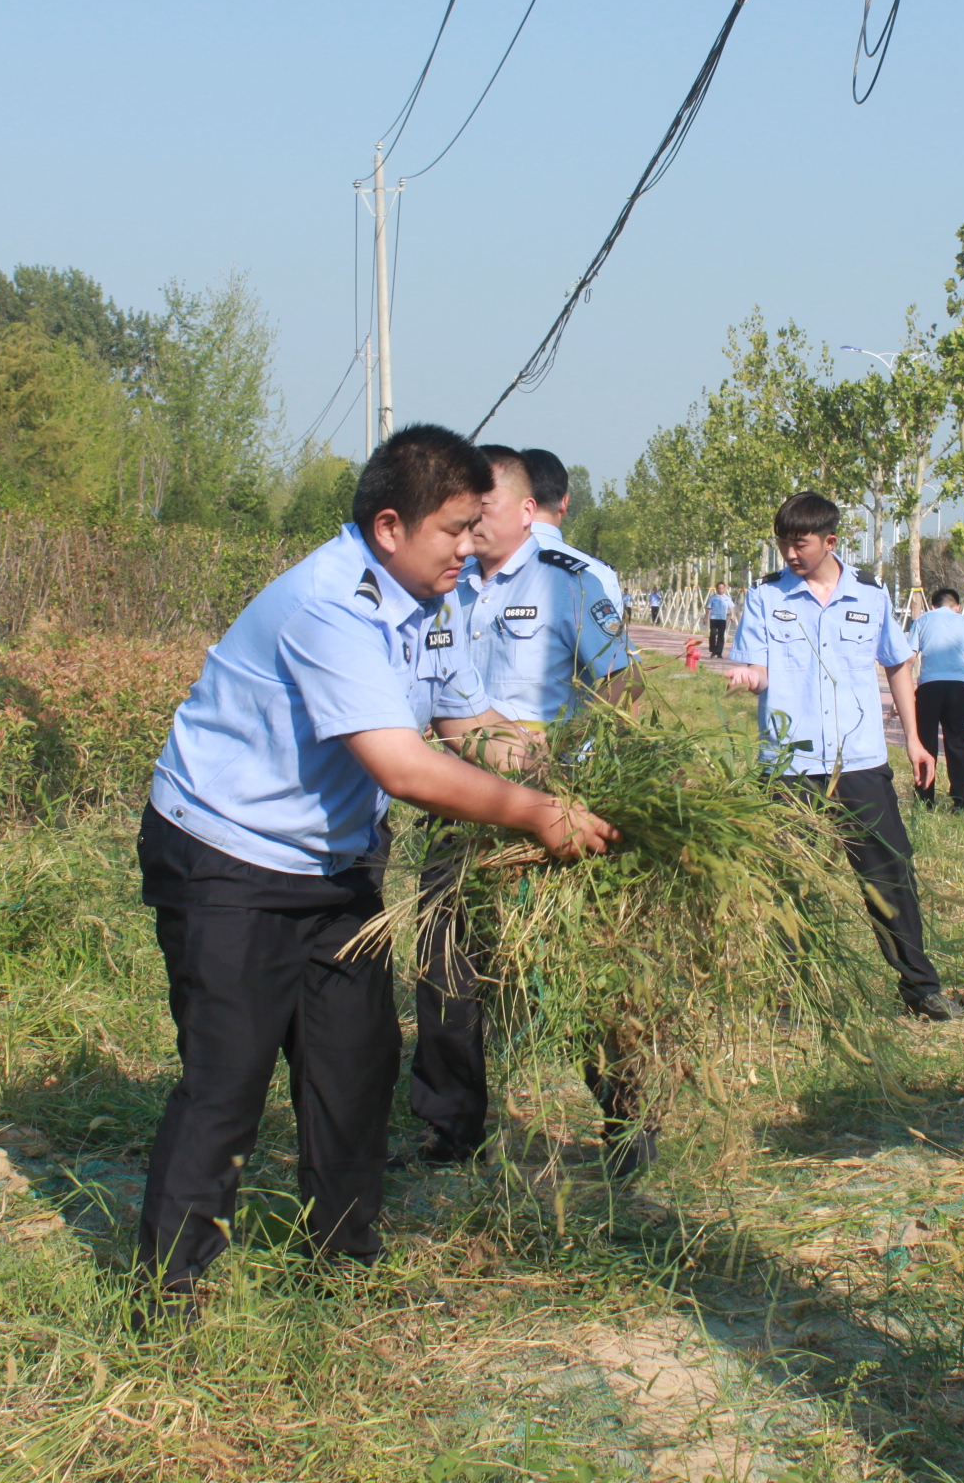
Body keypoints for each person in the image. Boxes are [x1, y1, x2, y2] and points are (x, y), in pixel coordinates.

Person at [135, 426, 617, 1312]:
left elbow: (472, 732)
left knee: (355, 1065)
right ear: (390, 526)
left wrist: (584, 790)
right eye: (456, 530)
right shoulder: (331, 603)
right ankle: (167, 1295)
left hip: (338, 862)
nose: (471, 549)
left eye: (479, 528)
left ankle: (345, 1258)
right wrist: (539, 818)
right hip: (227, 856)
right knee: (227, 1079)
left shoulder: (431, 606)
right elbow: (405, 767)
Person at [407, 445, 646, 1173]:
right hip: (461, 800)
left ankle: (626, 1125)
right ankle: (452, 1131)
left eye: (483, 510)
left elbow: (622, 691)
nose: (470, 524)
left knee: (576, 969)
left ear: (525, 511)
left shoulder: (572, 583)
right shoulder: (443, 587)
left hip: (552, 807)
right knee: (445, 965)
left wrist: (594, 788)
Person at [724, 492, 954, 1022]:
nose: (789, 553)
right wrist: (744, 678)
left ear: (830, 541)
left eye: (798, 542)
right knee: (789, 880)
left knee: (889, 873)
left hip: (860, 762)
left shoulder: (871, 596)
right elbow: (757, 669)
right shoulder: (766, 598)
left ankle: (920, 987)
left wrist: (915, 741)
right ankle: (791, 996)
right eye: (782, 542)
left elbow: (897, 664)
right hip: (791, 765)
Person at [908, 587, 964, 811]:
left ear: (933, 606)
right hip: (958, 687)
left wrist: (902, 693)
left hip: (929, 687)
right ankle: (960, 801)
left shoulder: (921, 621)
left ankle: (925, 799)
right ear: (957, 606)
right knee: (958, 744)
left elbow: (910, 659)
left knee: (925, 742)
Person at [706, 583, 735, 658]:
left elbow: (731, 607)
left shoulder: (727, 598)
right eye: (719, 588)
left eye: (722, 588)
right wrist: (706, 617)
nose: (721, 590)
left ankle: (719, 652)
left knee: (721, 635)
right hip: (713, 618)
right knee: (713, 634)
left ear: (725, 588)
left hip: (722, 619)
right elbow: (708, 608)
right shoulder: (713, 598)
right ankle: (713, 650)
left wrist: (732, 615)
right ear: (716, 588)